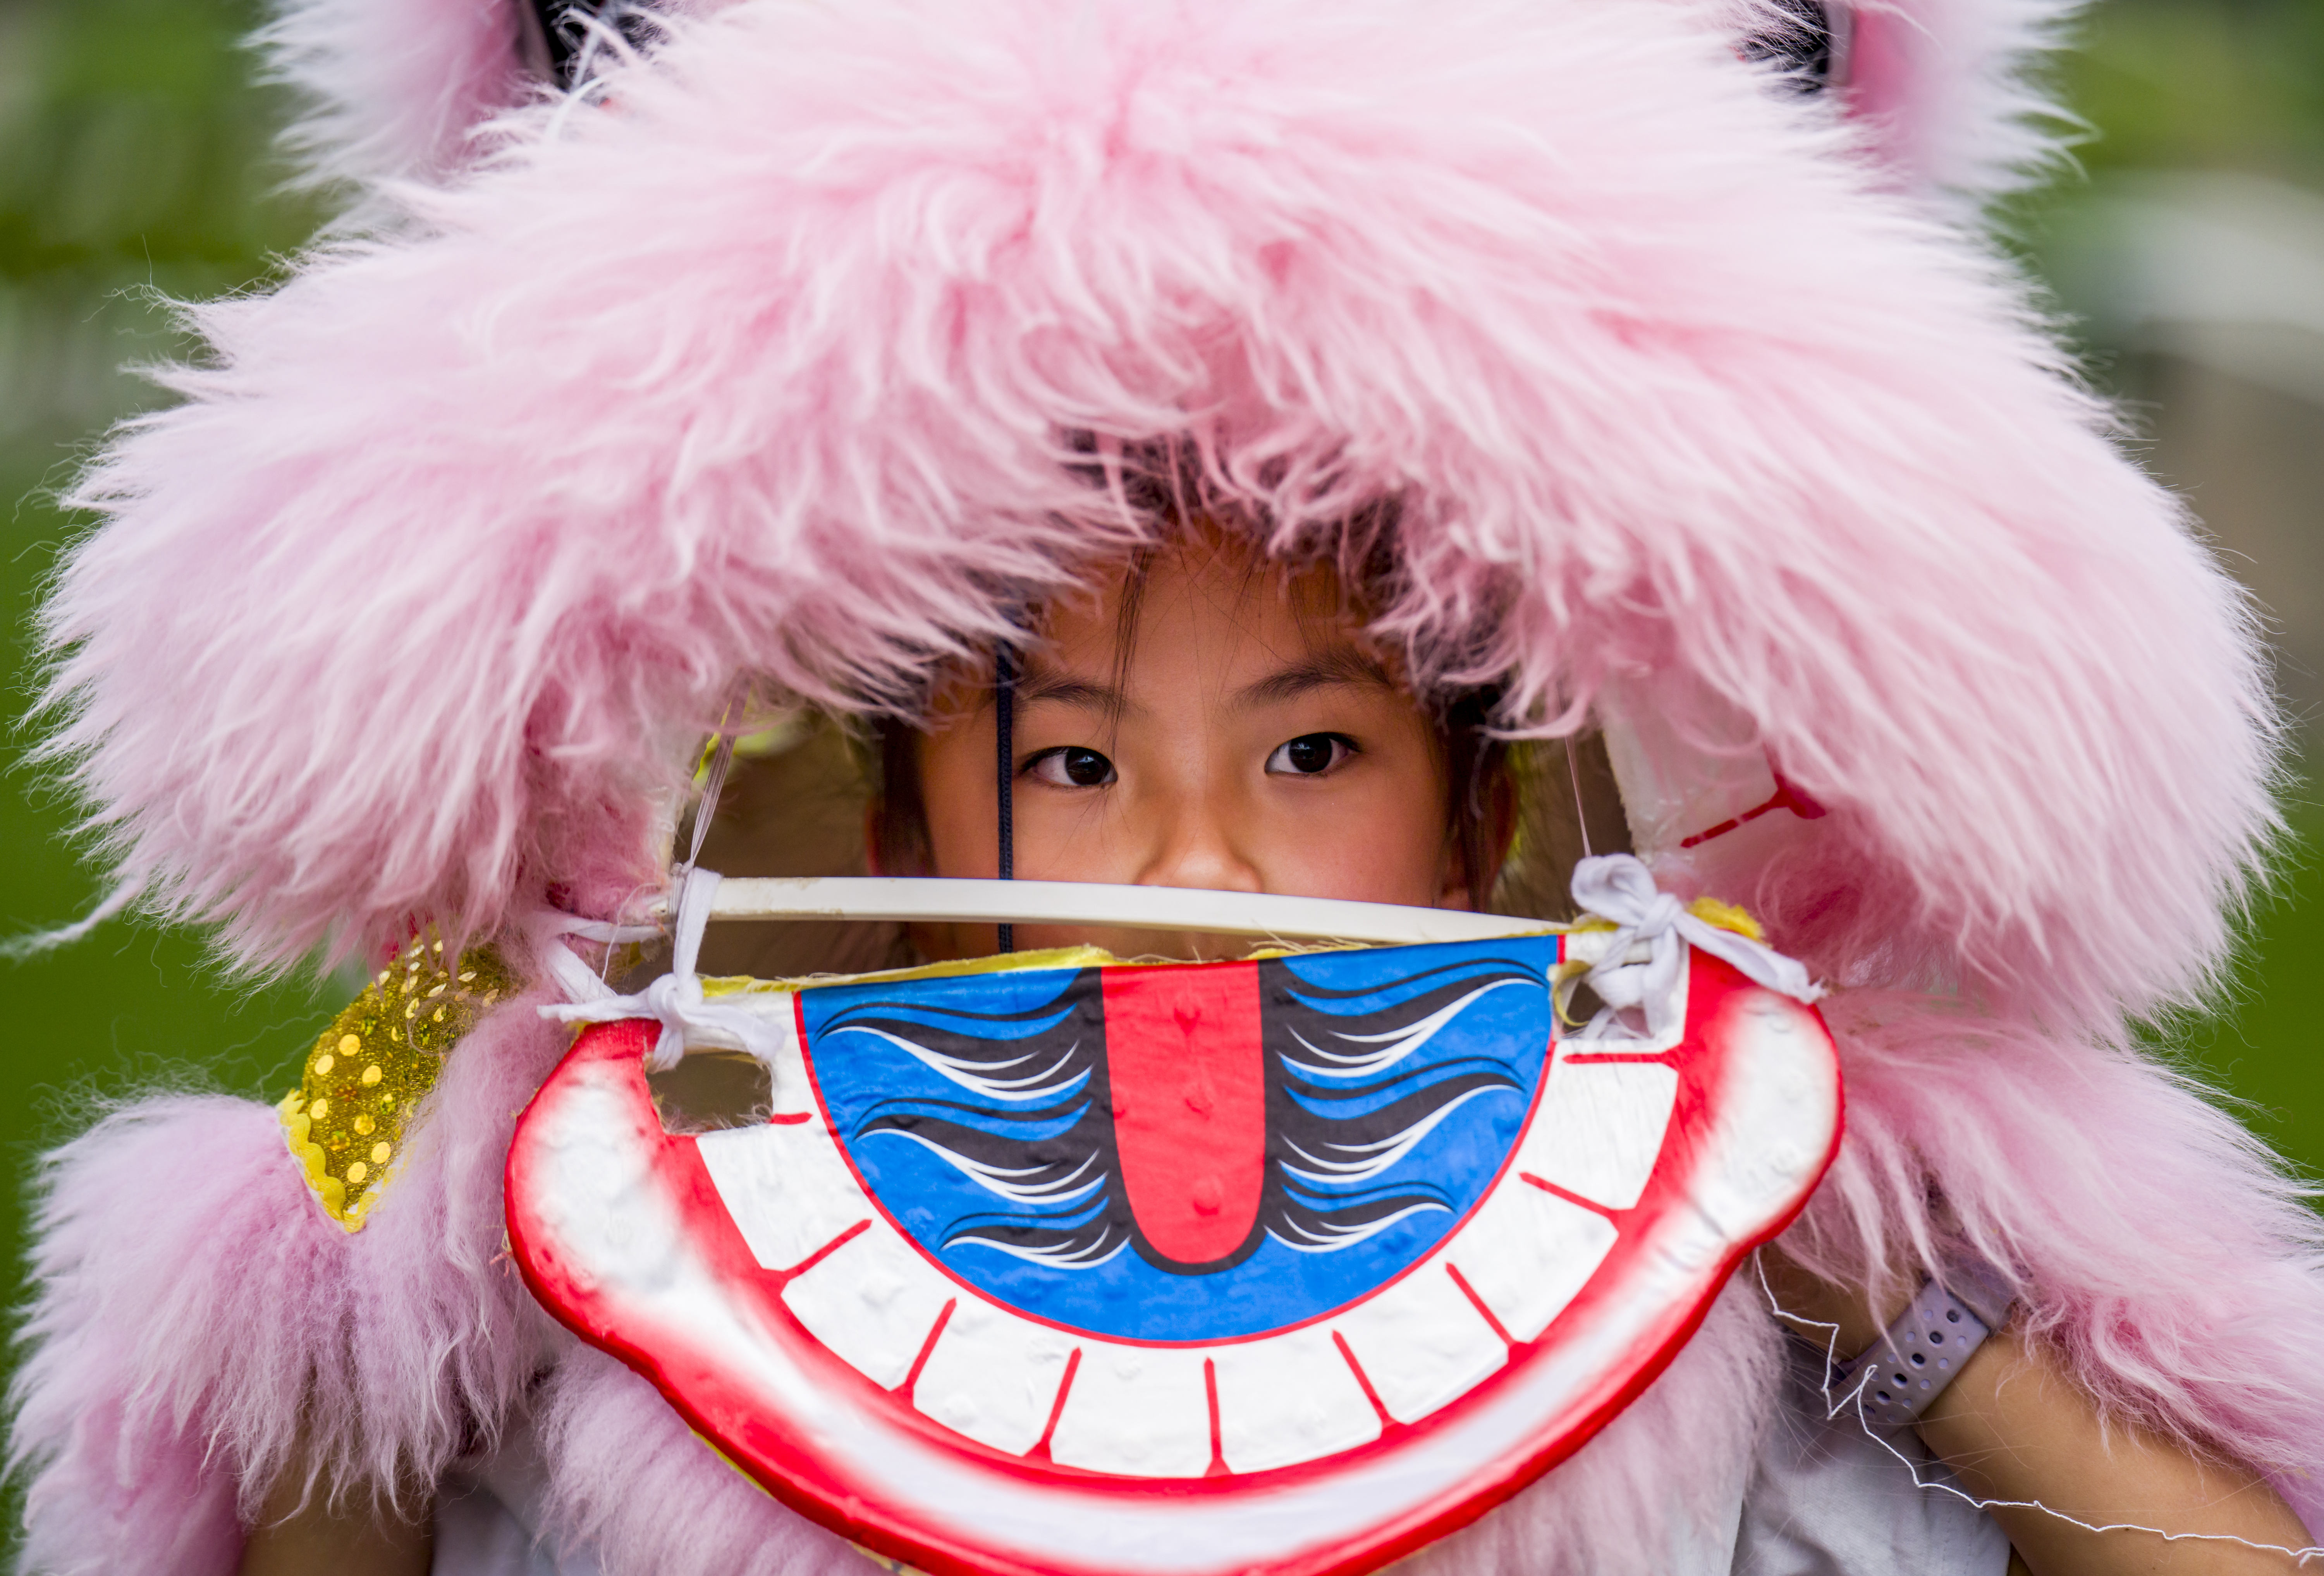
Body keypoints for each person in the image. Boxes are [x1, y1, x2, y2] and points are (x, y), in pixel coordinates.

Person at [14, 0, 2324, 1573]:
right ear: (899, 830)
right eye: (1075, 762)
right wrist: (399, 1223)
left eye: (1313, 752)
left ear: (1487, 816)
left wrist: (1885, 1283)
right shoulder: (623, 1212)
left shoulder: (1739, 1236)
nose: (1195, 855)